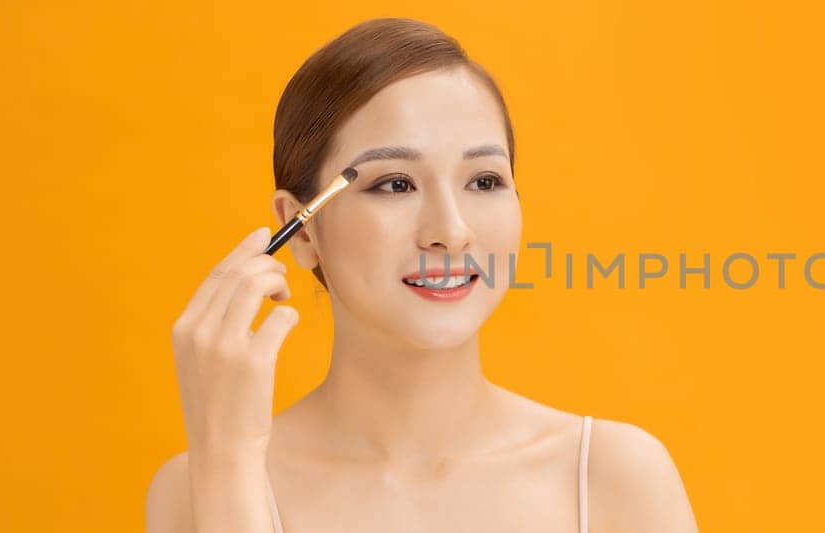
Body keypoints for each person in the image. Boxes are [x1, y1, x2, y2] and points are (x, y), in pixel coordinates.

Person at [145, 18, 698, 533]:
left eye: (483, 181)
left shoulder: (614, 477)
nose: (451, 232)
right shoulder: (198, 483)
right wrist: (227, 462)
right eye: (394, 184)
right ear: (303, 230)